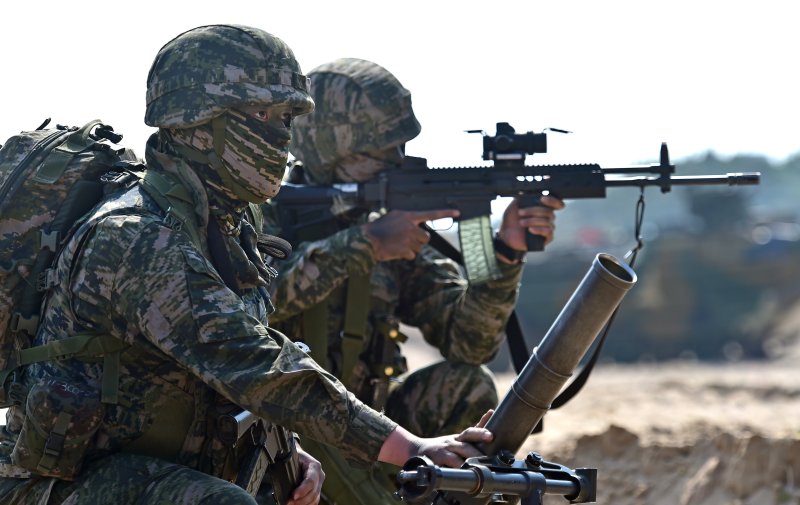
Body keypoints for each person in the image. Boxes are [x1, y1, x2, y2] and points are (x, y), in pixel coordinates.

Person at [0, 26, 493, 505]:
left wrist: (289, 450)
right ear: (197, 122)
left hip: (186, 457)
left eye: (286, 118)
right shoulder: (136, 234)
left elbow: (223, 377)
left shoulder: (225, 224)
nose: (280, 136)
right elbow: (253, 361)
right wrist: (411, 448)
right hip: (68, 480)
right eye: (262, 113)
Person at [261, 57, 565, 504]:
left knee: (467, 381)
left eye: (398, 148)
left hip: (376, 425)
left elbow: (469, 343)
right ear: (326, 148)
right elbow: (249, 303)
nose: (396, 163)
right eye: (376, 154)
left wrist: (502, 251)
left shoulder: (390, 226)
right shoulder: (264, 215)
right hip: (290, 426)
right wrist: (362, 245)